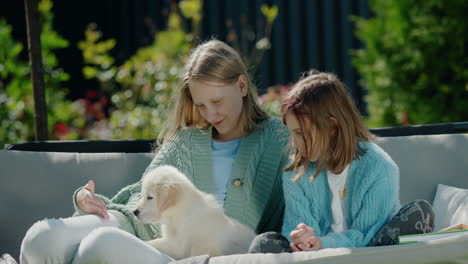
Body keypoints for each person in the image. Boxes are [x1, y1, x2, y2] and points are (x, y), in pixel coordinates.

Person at [20, 40, 289, 263]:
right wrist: (87, 200)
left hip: (192, 254)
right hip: (138, 231)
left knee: (99, 247)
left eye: (216, 101)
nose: (210, 114)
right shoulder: (186, 141)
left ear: (242, 86)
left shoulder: (280, 138)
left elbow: (302, 203)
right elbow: (139, 198)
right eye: (201, 105)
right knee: (40, 240)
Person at [249, 70, 434, 253]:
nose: (295, 143)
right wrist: (301, 239)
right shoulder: (296, 172)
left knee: (420, 212)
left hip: (369, 254)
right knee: (263, 243)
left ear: (332, 127)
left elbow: (367, 236)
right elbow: (296, 233)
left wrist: (322, 243)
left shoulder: (379, 168)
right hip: (317, 259)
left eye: (301, 133)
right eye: (292, 133)